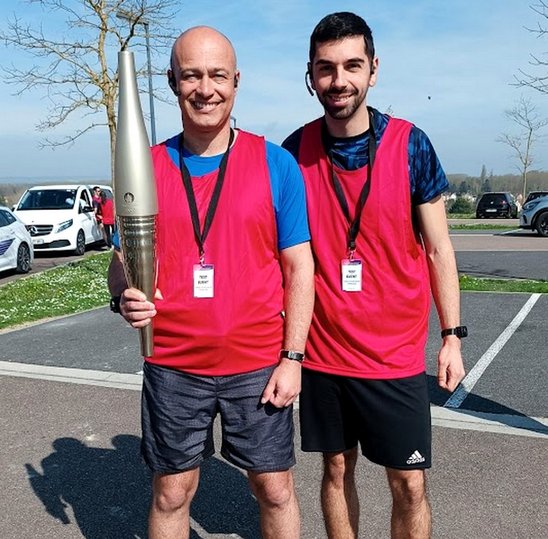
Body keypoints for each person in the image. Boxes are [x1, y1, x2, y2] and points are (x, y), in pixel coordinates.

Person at [107, 26, 314, 539]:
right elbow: (119, 258)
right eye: (192, 75)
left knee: (275, 489)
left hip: (259, 364)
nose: (206, 88)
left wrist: (293, 359)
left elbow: (299, 268)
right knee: (172, 493)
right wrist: (121, 293)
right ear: (172, 80)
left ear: (236, 81)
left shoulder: (276, 164)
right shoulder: (145, 167)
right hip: (173, 366)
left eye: (217, 75)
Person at [282, 12, 466, 539]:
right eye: (326, 68)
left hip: (395, 359)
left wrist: (452, 337)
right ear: (310, 75)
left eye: (351, 66)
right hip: (323, 355)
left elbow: (437, 248)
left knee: (408, 483)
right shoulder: (293, 154)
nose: (339, 80)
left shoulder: (411, 145)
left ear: (374, 69)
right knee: (336, 470)